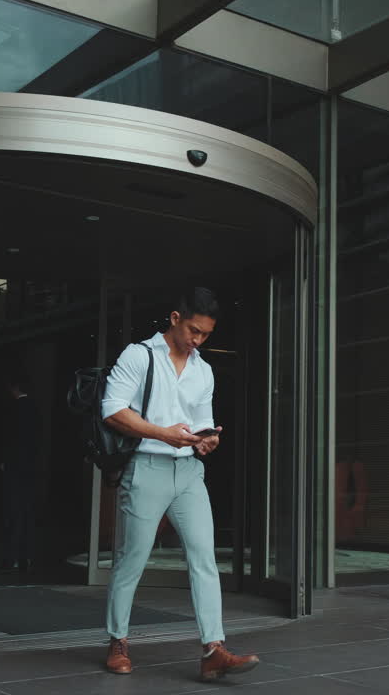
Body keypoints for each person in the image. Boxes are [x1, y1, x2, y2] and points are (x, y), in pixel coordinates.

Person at [100, 287, 259, 681]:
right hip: (146, 466)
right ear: (175, 318)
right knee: (131, 559)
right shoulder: (139, 356)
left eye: (205, 334)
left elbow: (201, 420)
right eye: (193, 331)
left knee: (203, 557)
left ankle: (213, 649)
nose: (198, 340)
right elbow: (112, 411)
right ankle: (117, 640)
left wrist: (208, 439)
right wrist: (162, 433)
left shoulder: (203, 369)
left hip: (188, 472)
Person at [0, 374, 40, 574]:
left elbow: (7, 439)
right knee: (27, 513)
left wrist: (3, 461)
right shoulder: (35, 411)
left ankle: (10, 559)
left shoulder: (13, 410)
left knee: (12, 514)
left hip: (14, 468)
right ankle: (26, 557)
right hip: (30, 468)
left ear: (14, 388)